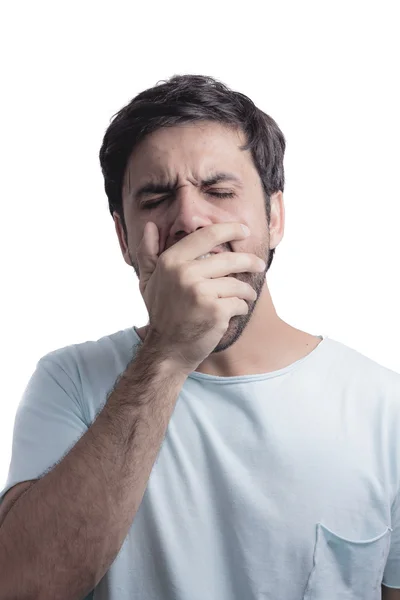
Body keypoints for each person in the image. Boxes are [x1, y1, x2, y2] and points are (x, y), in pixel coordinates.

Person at [0, 74, 399, 600]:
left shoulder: (384, 407)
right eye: (156, 198)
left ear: (274, 217)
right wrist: (167, 353)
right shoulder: (69, 382)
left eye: (220, 191)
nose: (189, 219)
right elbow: (22, 588)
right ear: (123, 237)